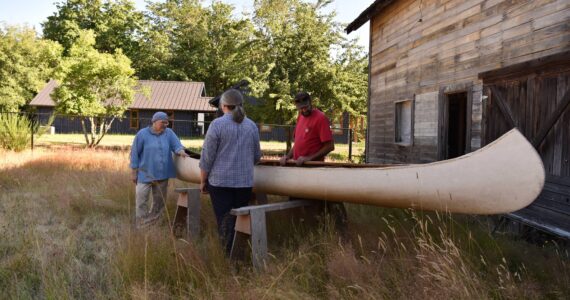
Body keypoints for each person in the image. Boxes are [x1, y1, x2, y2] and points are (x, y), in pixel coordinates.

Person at [199, 89, 261, 254]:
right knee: (240, 220)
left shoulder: (217, 125)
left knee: (225, 221)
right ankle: (241, 253)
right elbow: (256, 156)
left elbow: (207, 158)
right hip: (244, 183)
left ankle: (228, 257)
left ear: (223, 105)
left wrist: (203, 181)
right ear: (241, 105)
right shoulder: (252, 126)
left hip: (220, 182)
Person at [130, 111, 188, 228]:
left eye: (167, 123)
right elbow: (134, 153)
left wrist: (181, 151)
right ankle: (141, 225)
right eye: (163, 122)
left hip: (162, 174)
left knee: (159, 202)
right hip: (144, 174)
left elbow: (177, 145)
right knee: (141, 201)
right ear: (154, 121)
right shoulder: (142, 134)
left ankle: (153, 225)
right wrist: (133, 172)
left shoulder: (169, 133)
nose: (165, 125)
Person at [280, 92, 335, 166]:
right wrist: (288, 156)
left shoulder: (321, 118)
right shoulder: (300, 117)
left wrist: (309, 158)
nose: (304, 110)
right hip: (298, 166)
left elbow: (330, 146)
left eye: (306, 107)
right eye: (301, 108)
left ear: (310, 102)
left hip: (313, 168)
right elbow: (297, 144)